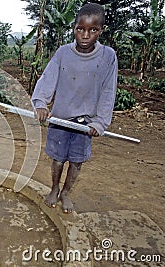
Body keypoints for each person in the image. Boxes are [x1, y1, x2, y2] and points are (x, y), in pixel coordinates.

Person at [31, 3, 117, 213]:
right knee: (58, 160)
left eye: (92, 30)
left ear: (101, 30)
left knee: (76, 163)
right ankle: (54, 188)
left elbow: (108, 91)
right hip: (60, 119)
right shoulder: (63, 53)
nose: (85, 35)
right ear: (74, 28)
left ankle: (66, 193)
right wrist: (41, 104)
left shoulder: (108, 57)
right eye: (81, 29)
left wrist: (100, 122)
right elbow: (47, 80)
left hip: (86, 124)